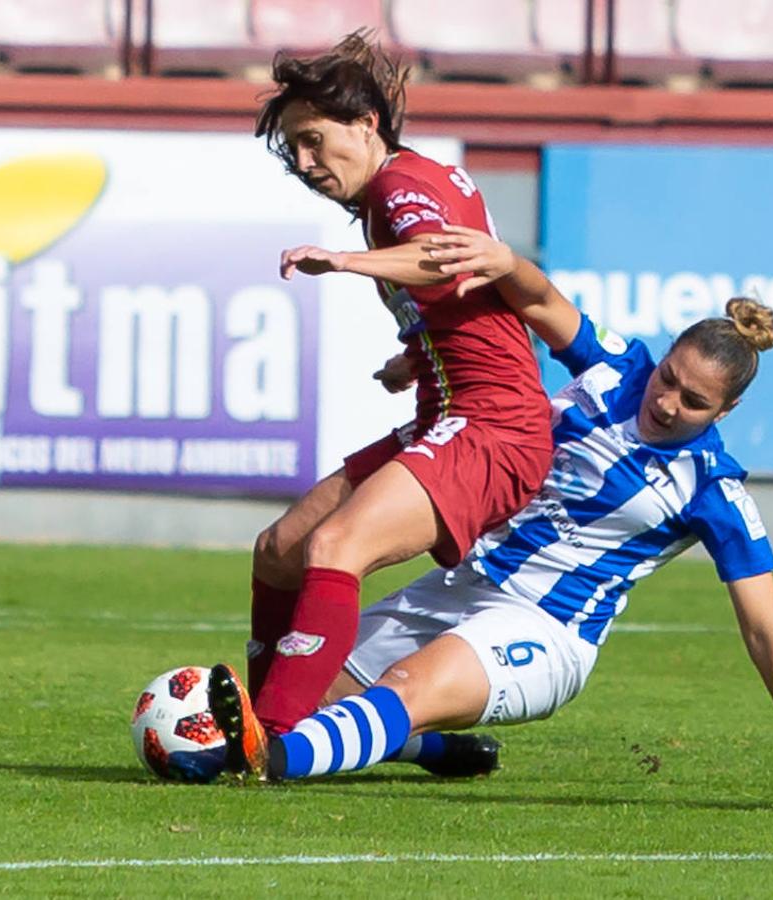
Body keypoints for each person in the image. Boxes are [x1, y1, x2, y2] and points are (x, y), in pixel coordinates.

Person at [209, 229, 773, 792]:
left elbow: (765, 629)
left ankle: (276, 760)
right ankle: (433, 752)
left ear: (725, 412)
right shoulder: (617, 369)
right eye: (670, 377)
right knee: (321, 696)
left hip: (547, 630)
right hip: (459, 586)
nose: (668, 401)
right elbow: (539, 300)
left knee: (405, 688)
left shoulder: (714, 488)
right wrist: (504, 264)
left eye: (693, 401)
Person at [218, 32, 553, 754]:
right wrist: (417, 354)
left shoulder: (400, 191)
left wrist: (343, 260)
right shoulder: (409, 184)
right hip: (450, 411)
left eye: (314, 141)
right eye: (294, 152)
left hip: (493, 426)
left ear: (366, 123)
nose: (306, 165)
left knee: (335, 546)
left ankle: (274, 737)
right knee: (281, 549)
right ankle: (402, 740)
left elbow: (442, 258)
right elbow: (468, 294)